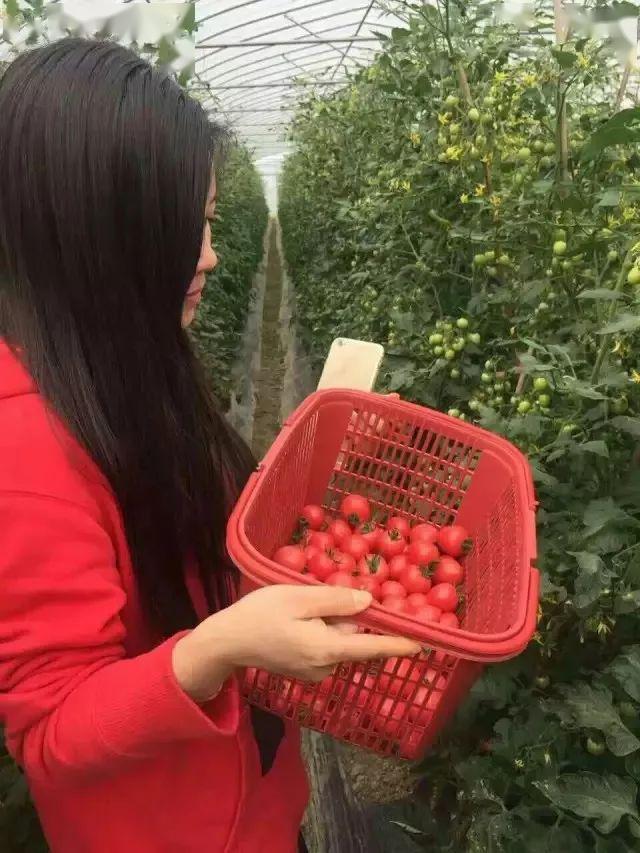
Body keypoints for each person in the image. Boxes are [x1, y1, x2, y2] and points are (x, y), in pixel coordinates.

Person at [0, 38, 420, 853]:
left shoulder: (129, 358)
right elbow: (52, 732)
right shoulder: (21, 453)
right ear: (100, 236)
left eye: (211, 221)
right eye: (184, 228)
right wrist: (221, 646)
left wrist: (315, 459)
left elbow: (197, 535)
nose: (211, 256)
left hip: (252, 800)